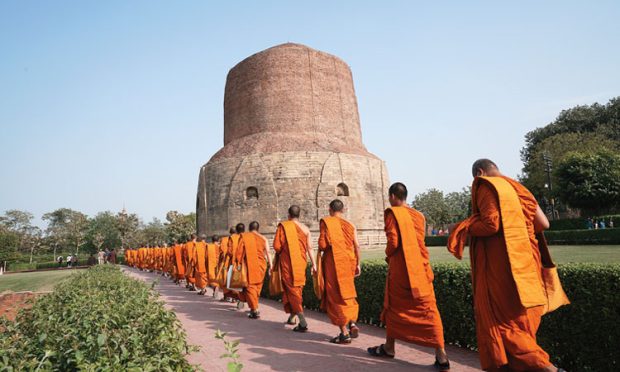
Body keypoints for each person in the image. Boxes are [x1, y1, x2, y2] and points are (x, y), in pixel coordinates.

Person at [448, 159, 564, 372]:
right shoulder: (519, 187)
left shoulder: (485, 184)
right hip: (527, 263)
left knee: (503, 324)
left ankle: (548, 369)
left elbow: (491, 224)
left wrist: (464, 226)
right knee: (521, 321)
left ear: (479, 173)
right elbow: (543, 224)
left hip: (503, 267)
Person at [368, 183, 450, 370]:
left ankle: (389, 347)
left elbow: (394, 241)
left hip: (402, 271)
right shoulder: (419, 216)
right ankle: (441, 354)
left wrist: (388, 254)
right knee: (428, 308)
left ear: (392, 196)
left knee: (394, 307)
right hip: (420, 269)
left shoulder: (392, 213)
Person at [318, 199, 361, 344]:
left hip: (334, 264)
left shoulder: (327, 222)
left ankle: (344, 333)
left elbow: (323, 244)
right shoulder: (350, 225)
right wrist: (358, 264)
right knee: (348, 292)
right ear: (342, 210)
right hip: (349, 262)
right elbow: (357, 246)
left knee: (336, 296)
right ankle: (353, 323)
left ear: (330, 209)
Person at [273, 205, 316, 332]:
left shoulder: (283, 226)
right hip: (301, 263)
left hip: (288, 263)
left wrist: (285, 252)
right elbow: (310, 248)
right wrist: (314, 264)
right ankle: (292, 316)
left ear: (288, 215)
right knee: (297, 289)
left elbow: (276, 246)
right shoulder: (306, 229)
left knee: (292, 290)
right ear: (299, 215)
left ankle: (302, 320)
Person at [237, 221, 272, 319]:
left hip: (250, 265)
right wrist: (271, 265)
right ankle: (254, 306)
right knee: (257, 287)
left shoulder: (245, 237)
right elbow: (268, 252)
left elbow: (239, 253)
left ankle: (254, 309)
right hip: (261, 266)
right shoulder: (263, 238)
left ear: (249, 228)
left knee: (250, 287)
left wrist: (238, 264)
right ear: (258, 229)